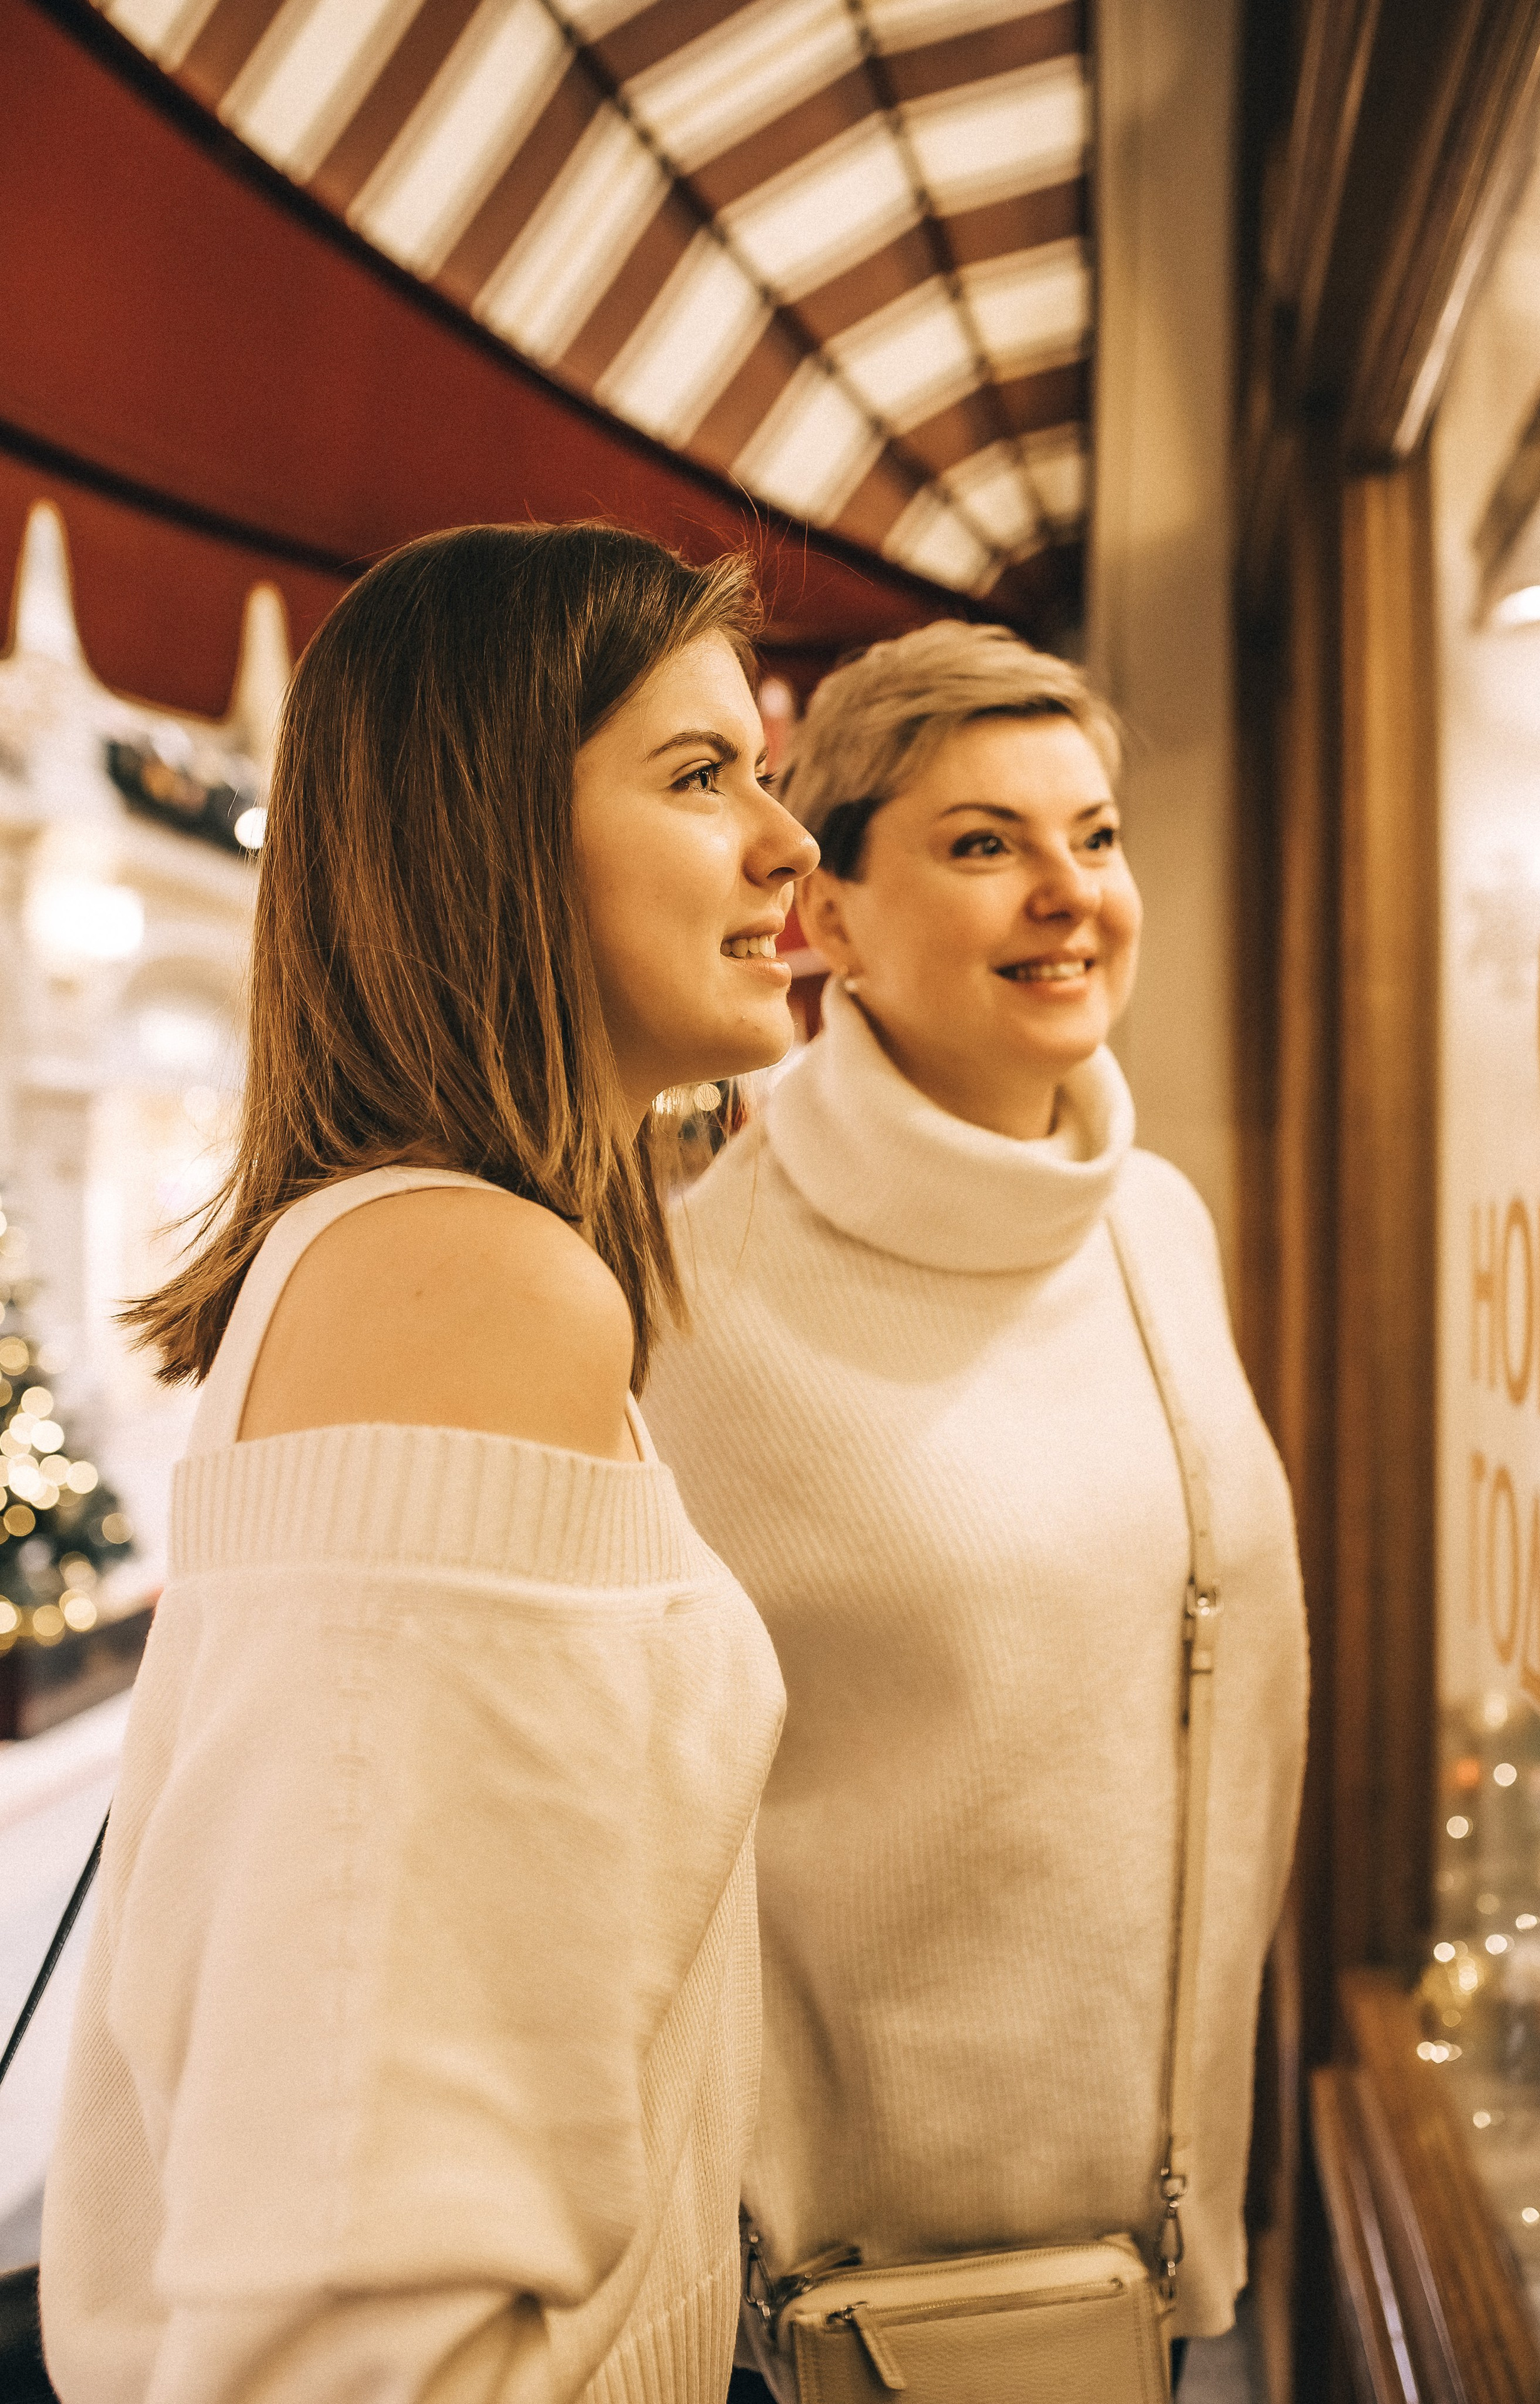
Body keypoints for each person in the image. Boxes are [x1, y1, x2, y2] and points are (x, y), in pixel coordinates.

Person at [40, 523, 818, 2404]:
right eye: (699, 774)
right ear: (488, 834)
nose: (789, 847)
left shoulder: (437, 1259)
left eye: (766, 779)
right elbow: (353, 2269)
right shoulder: (469, 1279)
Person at [645, 620, 1308, 2387]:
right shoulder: (702, 1294)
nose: (1067, 892)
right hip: (870, 2298)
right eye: (982, 842)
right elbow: (640, 1811)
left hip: (1154, 2246)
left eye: (1092, 835)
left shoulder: (1156, 1222)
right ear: (830, 914)